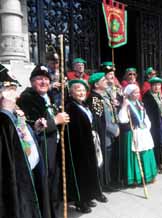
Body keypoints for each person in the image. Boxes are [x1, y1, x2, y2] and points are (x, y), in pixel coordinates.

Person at [17, 64, 70, 218]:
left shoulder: (50, 96)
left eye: (46, 79)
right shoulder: (27, 98)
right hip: (42, 150)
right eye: (39, 79)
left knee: (55, 184)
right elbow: (31, 127)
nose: (44, 82)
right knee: (45, 184)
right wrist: (55, 120)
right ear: (32, 81)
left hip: (54, 147)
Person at [0, 64, 50, 218]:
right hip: (16, 188)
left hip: (30, 177)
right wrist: (5, 113)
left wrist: (33, 129)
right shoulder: (4, 117)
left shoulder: (12, 114)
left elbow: (19, 142)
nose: (16, 96)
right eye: (10, 90)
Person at [65, 79, 107, 213]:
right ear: (71, 93)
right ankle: (80, 201)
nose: (81, 93)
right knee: (80, 173)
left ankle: (88, 196)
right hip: (79, 145)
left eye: (83, 90)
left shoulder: (84, 105)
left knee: (90, 170)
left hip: (89, 143)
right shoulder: (70, 107)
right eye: (78, 90)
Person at [87, 72, 121, 191]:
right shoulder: (95, 99)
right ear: (96, 84)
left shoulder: (104, 95)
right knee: (104, 159)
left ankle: (108, 180)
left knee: (110, 157)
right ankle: (103, 185)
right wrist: (113, 130)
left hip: (111, 132)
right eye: (103, 80)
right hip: (105, 134)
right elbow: (101, 120)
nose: (106, 81)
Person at [118, 84, 158, 185]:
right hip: (133, 132)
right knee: (135, 155)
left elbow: (145, 117)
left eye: (138, 92)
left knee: (146, 152)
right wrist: (124, 106)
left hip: (143, 131)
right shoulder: (126, 104)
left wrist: (146, 127)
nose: (137, 94)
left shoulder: (140, 103)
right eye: (135, 93)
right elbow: (122, 119)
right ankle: (136, 178)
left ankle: (149, 176)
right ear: (129, 94)